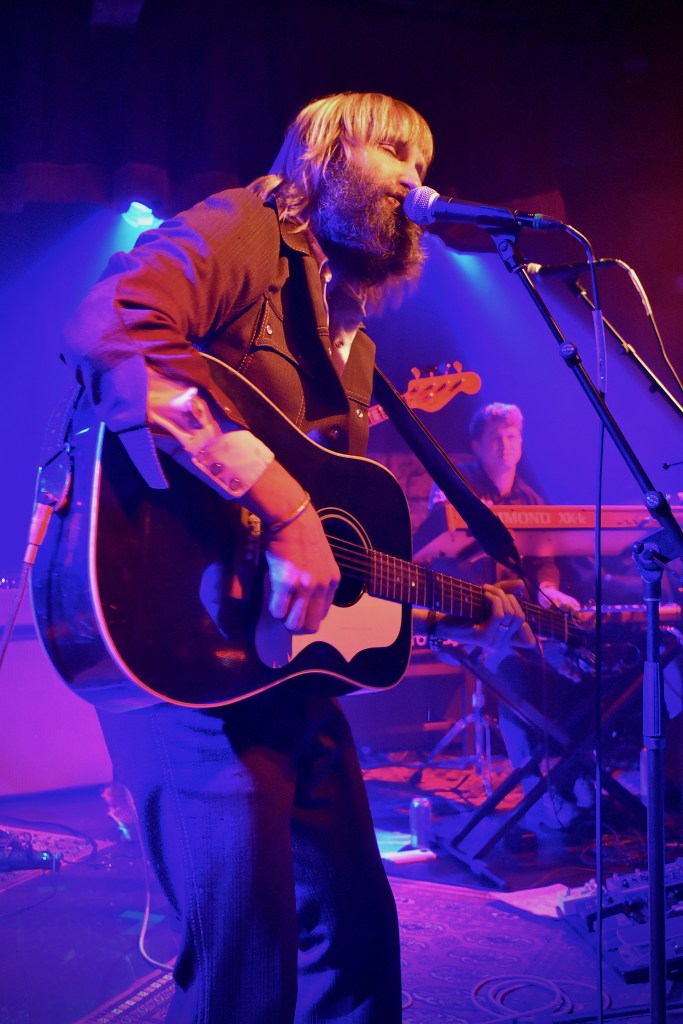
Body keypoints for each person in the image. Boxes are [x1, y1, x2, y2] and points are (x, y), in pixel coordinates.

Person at [60, 93, 532, 1024]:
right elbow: (109, 326)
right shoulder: (243, 225)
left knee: (354, 943)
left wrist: (463, 600)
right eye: (394, 152)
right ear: (326, 149)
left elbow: (332, 525)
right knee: (246, 965)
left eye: (421, 159)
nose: (413, 178)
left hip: (282, 667)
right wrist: (280, 509)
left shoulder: (348, 332)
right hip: (181, 640)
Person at [414, 402, 589, 830]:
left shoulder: (530, 498)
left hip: (519, 626)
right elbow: (436, 549)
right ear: (476, 444)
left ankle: (575, 776)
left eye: (512, 436)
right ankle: (539, 797)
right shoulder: (456, 486)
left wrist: (548, 589)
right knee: (509, 667)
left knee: (577, 666)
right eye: (495, 435)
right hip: (462, 623)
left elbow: (544, 562)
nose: (504, 444)